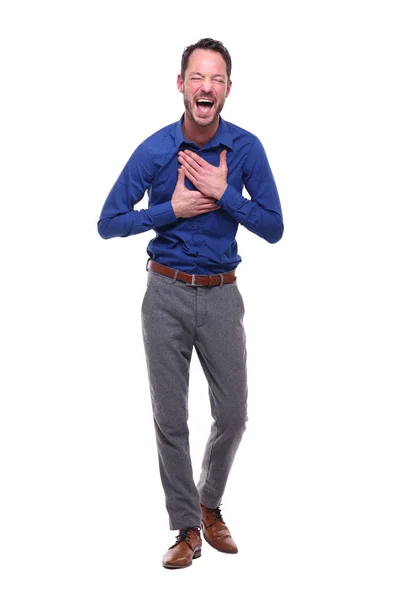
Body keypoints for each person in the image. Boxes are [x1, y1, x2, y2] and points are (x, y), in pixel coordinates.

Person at [97, 37, 284, 569]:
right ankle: (186, 528)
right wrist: (170, 210)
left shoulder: (246, 149)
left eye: (217, 79)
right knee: (170, 419)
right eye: (197, 77)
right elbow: (108, 223)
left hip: (223, 295)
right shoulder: (155, 150)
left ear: (227, 89)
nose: (206, 87)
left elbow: (273, 228)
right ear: (181, 84)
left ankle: (208, 504)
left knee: (234, 413)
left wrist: (226, 195)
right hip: (165, 293)